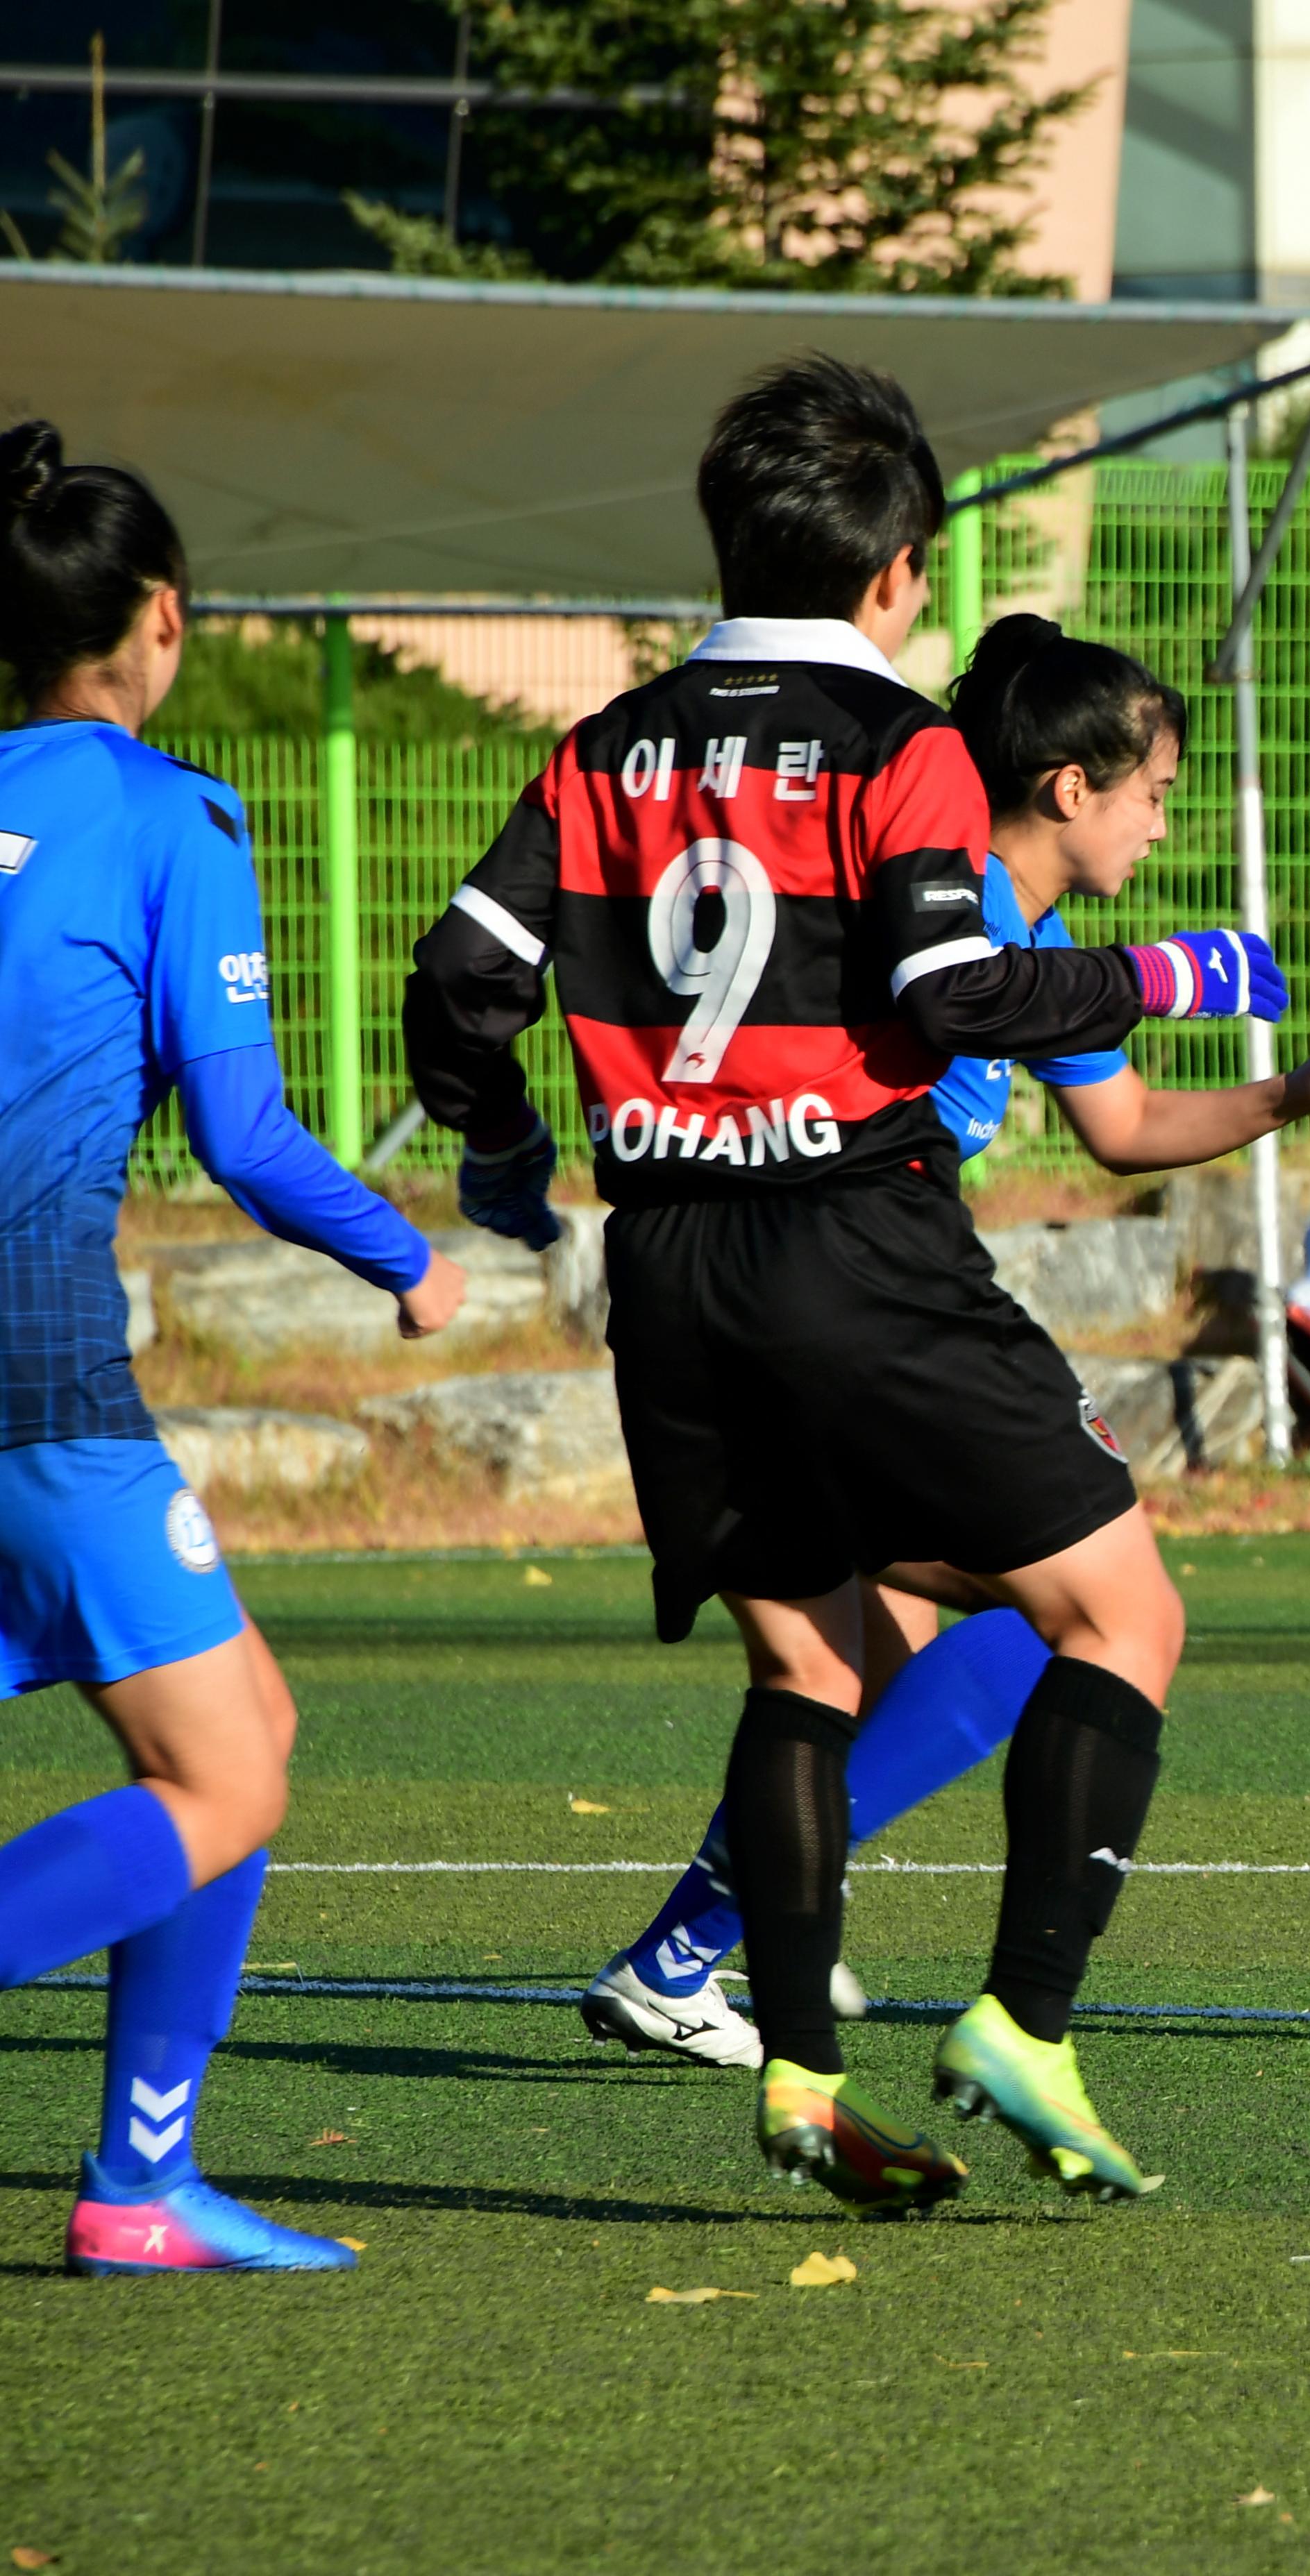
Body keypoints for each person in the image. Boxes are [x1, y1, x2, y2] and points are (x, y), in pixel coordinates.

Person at [405, 355, 1305, 2209]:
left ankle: (803, 2078)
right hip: (853, 1234)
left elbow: (459, 983)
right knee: (1123, 1617)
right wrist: (1188, 970)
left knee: (812, 1660)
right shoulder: (900, 752)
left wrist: (500, 1156)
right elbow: (949, 996)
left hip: (665, 1266)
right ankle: (1024, 2024)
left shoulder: (603, 749)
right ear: (898, 573)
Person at [579, 612, 1310, 2067]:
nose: (1163, 819)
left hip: (792, 1296)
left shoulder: (1044, 940)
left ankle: (721, 1939)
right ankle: (735, 1947)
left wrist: (1290, 1094)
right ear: (1072, 787)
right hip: (849, 1300)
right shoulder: (931, 902)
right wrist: (1190, 970)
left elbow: (1129, 1128)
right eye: (1153, 789)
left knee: (877, 1654)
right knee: (1072, 1613)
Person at [0, 419, 472, 2270]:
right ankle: (133, 2186)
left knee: (243, 1725)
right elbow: (248, 1137)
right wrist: (408, 1264)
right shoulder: (168, 817)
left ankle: (139, 2185)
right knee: (228, 1772)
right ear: (165, 617)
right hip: (30, 1364)